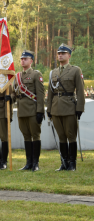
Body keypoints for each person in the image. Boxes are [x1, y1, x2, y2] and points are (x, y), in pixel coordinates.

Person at [47, 43, 85, 171]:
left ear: (69, 55)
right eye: (58, 53)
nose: (60, 55)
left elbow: (80, 90)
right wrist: (48, 109)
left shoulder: (75, 70)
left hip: (69, 107)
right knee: (61, 136)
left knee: (71, 136)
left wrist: (80, 108)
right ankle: (64, 163)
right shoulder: (53, 72)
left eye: (63, 53)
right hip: (56, 108)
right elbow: (50, 92)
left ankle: (72, 163)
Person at [13, 50, 45, 172]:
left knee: (35, 136)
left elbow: (40, 95)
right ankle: (28, 163)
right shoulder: (17, 76)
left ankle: (35, 163)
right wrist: (9, 97)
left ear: (31, 61)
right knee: (26, 136)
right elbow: (15, 94)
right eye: (21, 59)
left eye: (25, 59)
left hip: (32, 110)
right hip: (21, 111)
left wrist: (40, 111)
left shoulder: (36, 74)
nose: (23, 61)